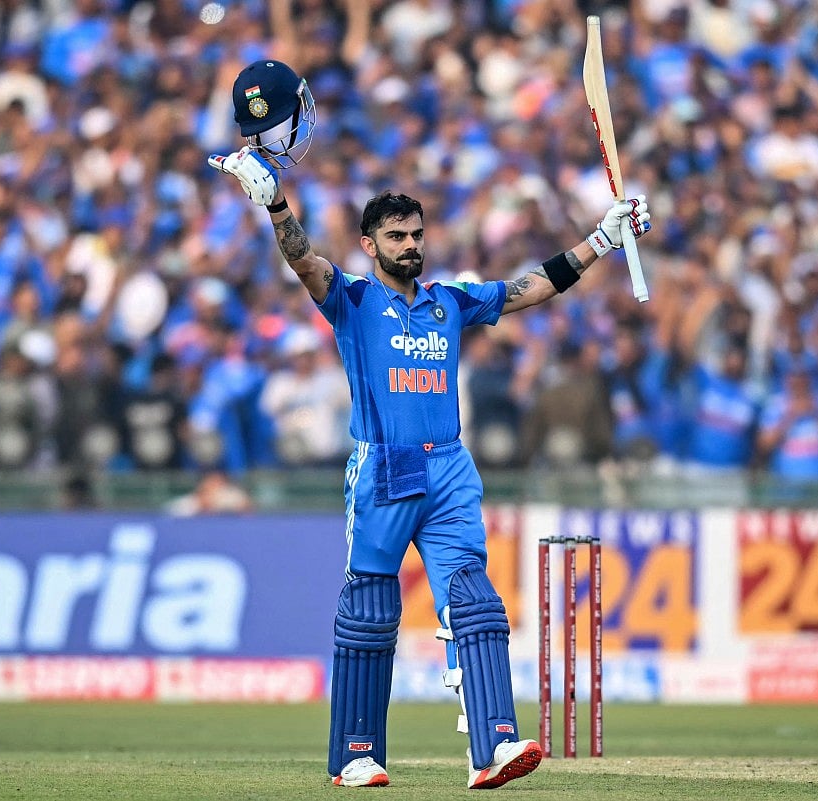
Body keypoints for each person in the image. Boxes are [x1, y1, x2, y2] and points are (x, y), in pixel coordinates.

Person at [209, 60, 650, 790]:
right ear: (371, 245)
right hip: (382, 467)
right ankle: (356, 755)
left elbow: (525, 289)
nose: (410, 244)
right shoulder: (349, 299)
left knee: (474, 598)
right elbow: (303, 263)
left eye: (415, 233)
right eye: (395, 236)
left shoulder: (448, 302)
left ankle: (495, 747)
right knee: (371, 612)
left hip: (447, 467)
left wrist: (601, 240)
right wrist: (277, 208)